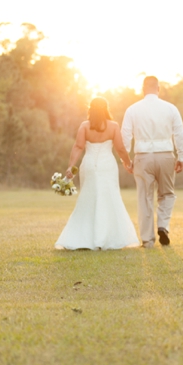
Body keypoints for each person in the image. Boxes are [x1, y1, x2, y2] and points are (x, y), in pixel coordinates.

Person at [55, 97, 140, 250]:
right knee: (110, 197)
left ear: (91, 109)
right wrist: (128, 163)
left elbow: (78, 147)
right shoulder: (113, 126)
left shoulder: (85, 126)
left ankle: (84, 237)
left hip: (89, 165)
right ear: (106, 109)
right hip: (107, 165)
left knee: (88, 197)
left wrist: (71, 167)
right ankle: (107, 237)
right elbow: (120, 149)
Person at [121, 76, 183, 248]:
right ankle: (163, 226)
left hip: (143, 157)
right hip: (165, 155)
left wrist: (126, 160)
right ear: (158, 88)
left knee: (145, 198)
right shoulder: (170, 108)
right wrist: (181, 156)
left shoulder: (132, 110)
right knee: (167, 194)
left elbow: (125, 136)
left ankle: (148, 240)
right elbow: (179, 133)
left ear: (143, 89)